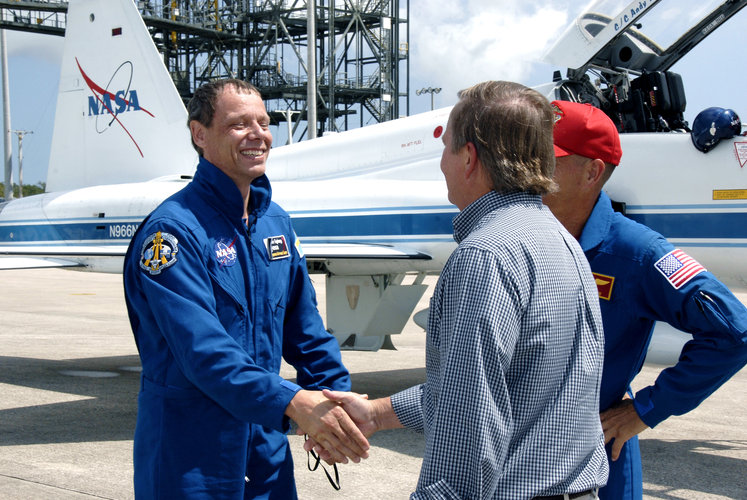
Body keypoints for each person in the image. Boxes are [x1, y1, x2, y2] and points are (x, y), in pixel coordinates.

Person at [310, 81, 609, 499]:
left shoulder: (486, 255)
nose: (441, 164)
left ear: (469, 157)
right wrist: (376, 413)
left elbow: (471, 421)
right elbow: (478, 388)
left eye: (446, 148)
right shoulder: (563, 243)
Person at [123, 79, 368, 499]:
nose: (258, 134)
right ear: (200, 134)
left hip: (265, 454)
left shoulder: (275, 223)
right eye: (239, 124)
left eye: (264, 122)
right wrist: (295, 403)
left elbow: (304, 330)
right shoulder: (173, 234)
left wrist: (337, 402)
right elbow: (204, 353)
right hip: (191, 457)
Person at [543, 100, 747, 500]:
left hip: (595, 456)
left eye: (547, 159)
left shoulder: (636, 253)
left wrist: (645, 410)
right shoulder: (526, 236)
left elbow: (733, 332)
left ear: (592, 171)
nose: (528, 170)